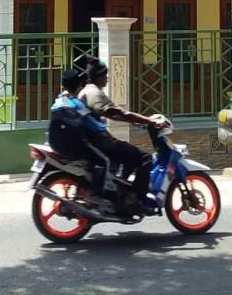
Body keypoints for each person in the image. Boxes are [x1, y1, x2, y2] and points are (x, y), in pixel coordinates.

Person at [79, 58, 159, 211]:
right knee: (145, 158)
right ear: (99, 76)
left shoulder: (86, 90)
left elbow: (115, 115)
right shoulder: (94, 93)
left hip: (95, 141)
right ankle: (138, 200)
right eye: (105, 75)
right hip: (100, 143)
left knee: (127, 153)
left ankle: (120, 191)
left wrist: (137, 121)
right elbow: (119, 113)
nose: (107, 78)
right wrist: (149, 121)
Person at [49, 68, 107, 201]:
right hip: (75, 147)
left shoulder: (58, 101)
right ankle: (95, 195)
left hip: (56, 145)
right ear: (79, 86)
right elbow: (95, 126)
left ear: (63, 86)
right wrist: (103, 125)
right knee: (104, 161)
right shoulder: (77, 104)